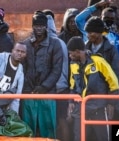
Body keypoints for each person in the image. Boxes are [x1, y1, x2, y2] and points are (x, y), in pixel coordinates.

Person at [67, 36, 119, 141]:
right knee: (79, 138)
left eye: (71, 53)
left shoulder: (98, 61)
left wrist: (111, 103)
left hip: (99, 108)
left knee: (103, 138)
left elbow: (113, 83)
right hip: (80, 108)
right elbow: (73, 85)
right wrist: (71, 102)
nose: (70, 56)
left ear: (77, 52)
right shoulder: (73, 65)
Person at [21, 11, 64, 138]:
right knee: (28, 128)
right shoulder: (26, 44)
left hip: (48, 93)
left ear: (46, 26)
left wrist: (44, 86)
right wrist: (28, 86)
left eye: (41, 25)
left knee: (48, 127)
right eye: (36, 25)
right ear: (32, 26)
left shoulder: (55, 44)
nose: (39, 28)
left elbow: (57, 69)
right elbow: (22, 68)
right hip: (28, 92)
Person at [75, 1, 119, 83]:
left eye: (112, 19)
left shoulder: (115, 37)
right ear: (101, 17)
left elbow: (117, 60)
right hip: (88, 79)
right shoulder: (89, 29)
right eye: (106, 18)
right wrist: (95, 6)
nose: (109, 21)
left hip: (105, 79)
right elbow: (78, 19)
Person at [43, 9, 71, 141]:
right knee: (62, 120)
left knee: (49, 122)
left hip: (52, 89)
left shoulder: (48, 44)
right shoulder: (62, 43)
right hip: (63, 88)